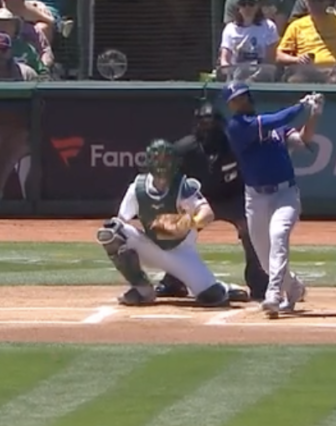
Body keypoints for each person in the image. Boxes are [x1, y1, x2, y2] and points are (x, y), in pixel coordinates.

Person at [94, 139, 237, 307]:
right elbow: (121, 220)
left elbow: (207, 213)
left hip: (181, 252)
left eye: (166, 159)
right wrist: (115, 224)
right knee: (112, 233)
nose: (161, 164)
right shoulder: (137, 187)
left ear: (175, 162)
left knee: (213, 296)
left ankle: (224, 287)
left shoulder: (183, 186)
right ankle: (142, 289)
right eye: (157, 159)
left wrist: (188, 223)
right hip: (150, 246)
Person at [221, 82, 322, 317]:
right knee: (265, 259)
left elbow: (303, 139)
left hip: (285, 194)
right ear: (230, 105)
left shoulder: (275, 128)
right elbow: (275, 120)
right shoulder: (237, 127)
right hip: (255, 198)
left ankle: (273, 294)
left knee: (278, 235)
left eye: (242, 97)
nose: (240, 102)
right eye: (235, 100)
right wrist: (301, 106)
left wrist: (314, 114)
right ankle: (294, 288)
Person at [156, 101, 269, 302]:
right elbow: (166, 173)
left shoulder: (235, 144)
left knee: (252, 228)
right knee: (177, 230)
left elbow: (255, 169)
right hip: (198, 201)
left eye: (212, 124)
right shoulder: (185, 148)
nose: (208, 129)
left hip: (233, 197)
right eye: (203, 124)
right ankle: (173, 281)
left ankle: (260, 283)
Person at [278, 0, 336, 83]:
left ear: (328, 2)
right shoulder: (296, 25)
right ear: (306, 2)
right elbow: (279, 56)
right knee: (295, 80)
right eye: (313, 1)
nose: (316, 4)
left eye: (320, 1)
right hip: (305, 71)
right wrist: (297, 59)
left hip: (333, 71)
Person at [219, 0, 279, 66]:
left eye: (251, 4)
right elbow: (225, 59)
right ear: (238, 8)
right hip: (236, 72)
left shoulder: (269, 27)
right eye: (243, 4)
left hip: (261, 71)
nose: (247, 7)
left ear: (257, 6)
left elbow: (270, 59)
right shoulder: (230, 29)